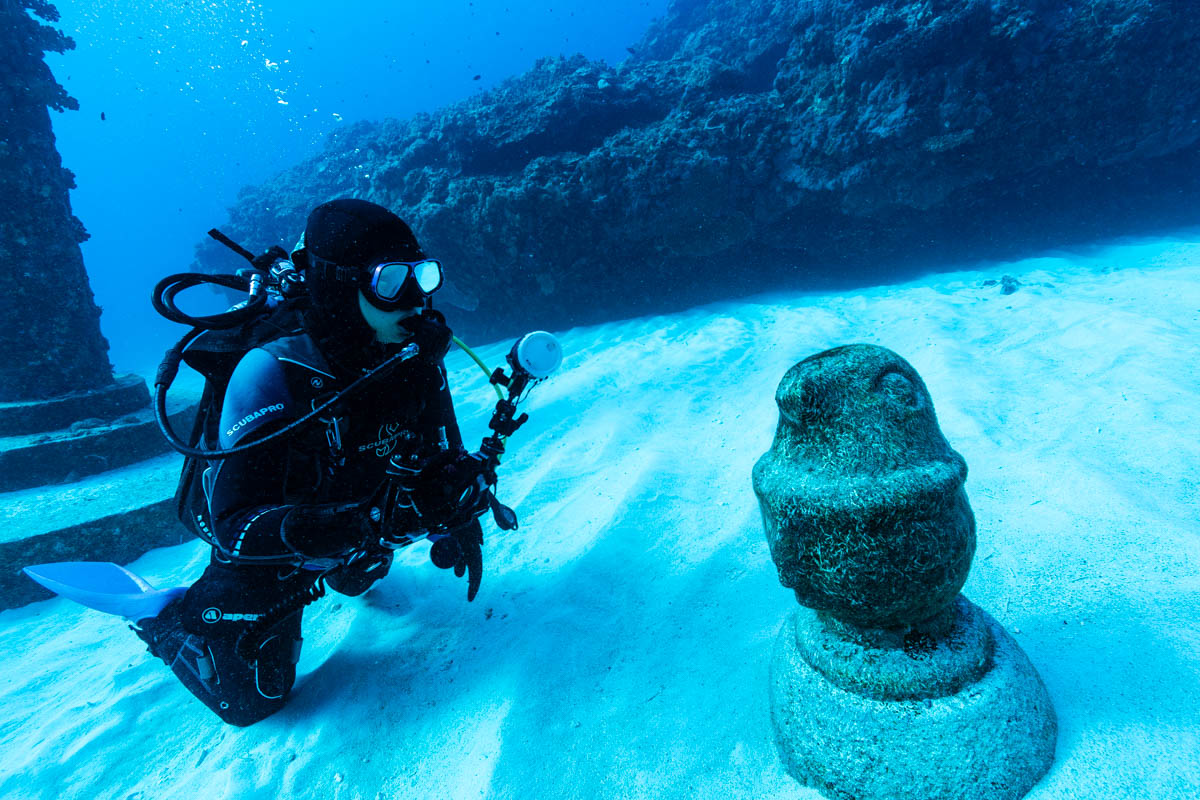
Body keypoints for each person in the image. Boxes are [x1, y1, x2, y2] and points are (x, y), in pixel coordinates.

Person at [133, 198, 488, 726]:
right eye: (391, 281)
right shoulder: (272, 369)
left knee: (361, 572)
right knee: (252, 699)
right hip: (275, 535)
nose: (415, 300)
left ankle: (350, 558)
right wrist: (328, 529)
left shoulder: (412, 354)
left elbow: (442, 456)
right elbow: (234, 526)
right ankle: (167, 624)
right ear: (345, 285)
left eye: (424, 275)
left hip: (353, 517)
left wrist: (457, 514)